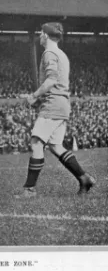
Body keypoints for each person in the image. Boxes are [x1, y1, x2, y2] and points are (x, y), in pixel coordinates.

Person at [16, 22, 95, 198]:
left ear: (45, 35)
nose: (39, 36)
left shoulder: (49, 53)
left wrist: (34, 96)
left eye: (40, 33)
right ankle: (84, 178)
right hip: (61, 103)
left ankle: (29, 189)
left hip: (53, 104)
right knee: (55, 146)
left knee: (36, 142)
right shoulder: (62, 54)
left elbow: (51, 80)